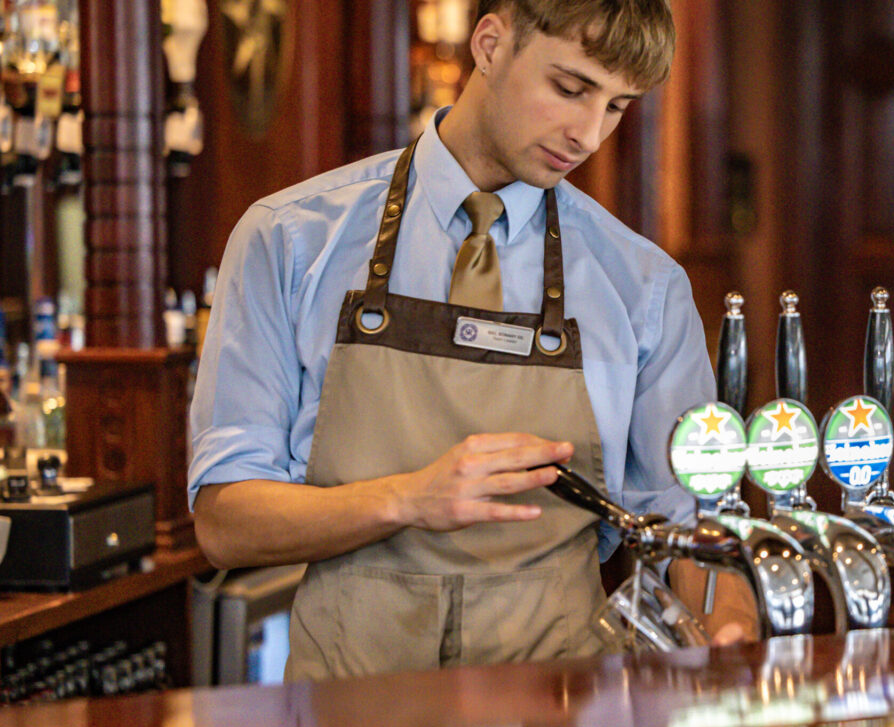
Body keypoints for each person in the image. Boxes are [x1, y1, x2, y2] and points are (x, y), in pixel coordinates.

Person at [189, 0, 751, 681]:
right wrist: (407, 499)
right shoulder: (289, 237)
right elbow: (226, 523)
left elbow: (687, 528)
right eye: (570, 88)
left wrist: (733, 631)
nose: (587, 134)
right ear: (490, 44)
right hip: (346, 722)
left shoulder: (644, 286)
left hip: (561, 723)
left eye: (616, 107)